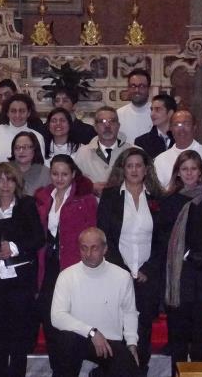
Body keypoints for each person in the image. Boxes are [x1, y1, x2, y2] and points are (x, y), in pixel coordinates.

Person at [160, 150, 202, 373]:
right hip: (178, 277)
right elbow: (163, 235)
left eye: (193, 168)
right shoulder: (170, 199)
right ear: (178, 173)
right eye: (184, 169)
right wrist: (184, 255)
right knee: (178, 339)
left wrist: (195, 255)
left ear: (200, 172)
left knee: (201, 339)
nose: (189, 173)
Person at [97, 148, 165, 375]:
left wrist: (148, 269)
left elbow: (163, 239)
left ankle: (140, 371)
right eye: (129, 165)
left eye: (139, 165)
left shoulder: (157, 198)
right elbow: (104, 236)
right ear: (122, 169)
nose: (134, 170)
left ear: (146, 169)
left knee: (143, 329)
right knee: (117, 328)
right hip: (117, 274)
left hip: (147, 276)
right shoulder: (110, 197)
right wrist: (122, 271)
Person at [34, 155, 98, 371]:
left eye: (64, 174)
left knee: (70, 326)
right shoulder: (42, 196)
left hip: (73, 268)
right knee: (50, 322)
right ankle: (57, 370)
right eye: (55, 173)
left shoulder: (86, 199)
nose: (59, 178)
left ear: (73, 175)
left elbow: (94, 235)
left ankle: (68, 371)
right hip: (47, 268)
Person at [50, 227, 139, 377]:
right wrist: (92, 332)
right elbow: (57, 317)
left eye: (94, 248)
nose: (88, 254)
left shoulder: (122, 276)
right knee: (66, 340)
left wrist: (132, 344)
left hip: (110, 342)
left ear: (105, 249)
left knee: (130, 368)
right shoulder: (66, 276)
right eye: (84, 248)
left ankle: (98, 373)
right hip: (78, 340)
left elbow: (129, 312)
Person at [0, 163, 45, 377]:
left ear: (17, 182)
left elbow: (38, 238)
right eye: (0, 179)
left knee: (19, 336)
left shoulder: (27, 204)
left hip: (20, 281)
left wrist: (13, 247)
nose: (5, 184)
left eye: (9, 179)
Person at [72, 106, 136, 196]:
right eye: (102, 122)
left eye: (112, 121)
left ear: (118, 126)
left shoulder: (133, 152)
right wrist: (91, 187)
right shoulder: (82, 153)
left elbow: (143, 182)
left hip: (124, 207)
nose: (107, 126)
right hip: (93, 208)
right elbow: (73, 183)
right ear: (95, 127)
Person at [154, 110, 202, 189]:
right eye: (177, 124)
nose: (182, 129)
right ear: (170, 128)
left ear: (194, 127)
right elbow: (158, 192)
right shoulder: (160, 159)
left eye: (187, 124)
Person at [0, 94, 46, 164]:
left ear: (29, 113)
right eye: (13, 111)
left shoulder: (37, 136)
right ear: (7, 113)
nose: (17, 115)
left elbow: (39, 166)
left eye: (22, 111)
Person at [134, 93, 176, 158]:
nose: (152, 114)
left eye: (158, 109)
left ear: (170, 113)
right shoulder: (141, 142)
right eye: (152, 109)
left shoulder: (180, 138)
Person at [116, 69, 152, 142]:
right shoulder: (118, 114)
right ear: (128, 88)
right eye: (133, 86)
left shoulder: (157, 113)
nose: (137, 90)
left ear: (149, 89)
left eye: (141, 86)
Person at [10, 131, 50, 196]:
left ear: (35, 149)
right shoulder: (4, 170)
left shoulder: (46, 174)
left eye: (26, 147)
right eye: (17, 147)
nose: (21, 151)